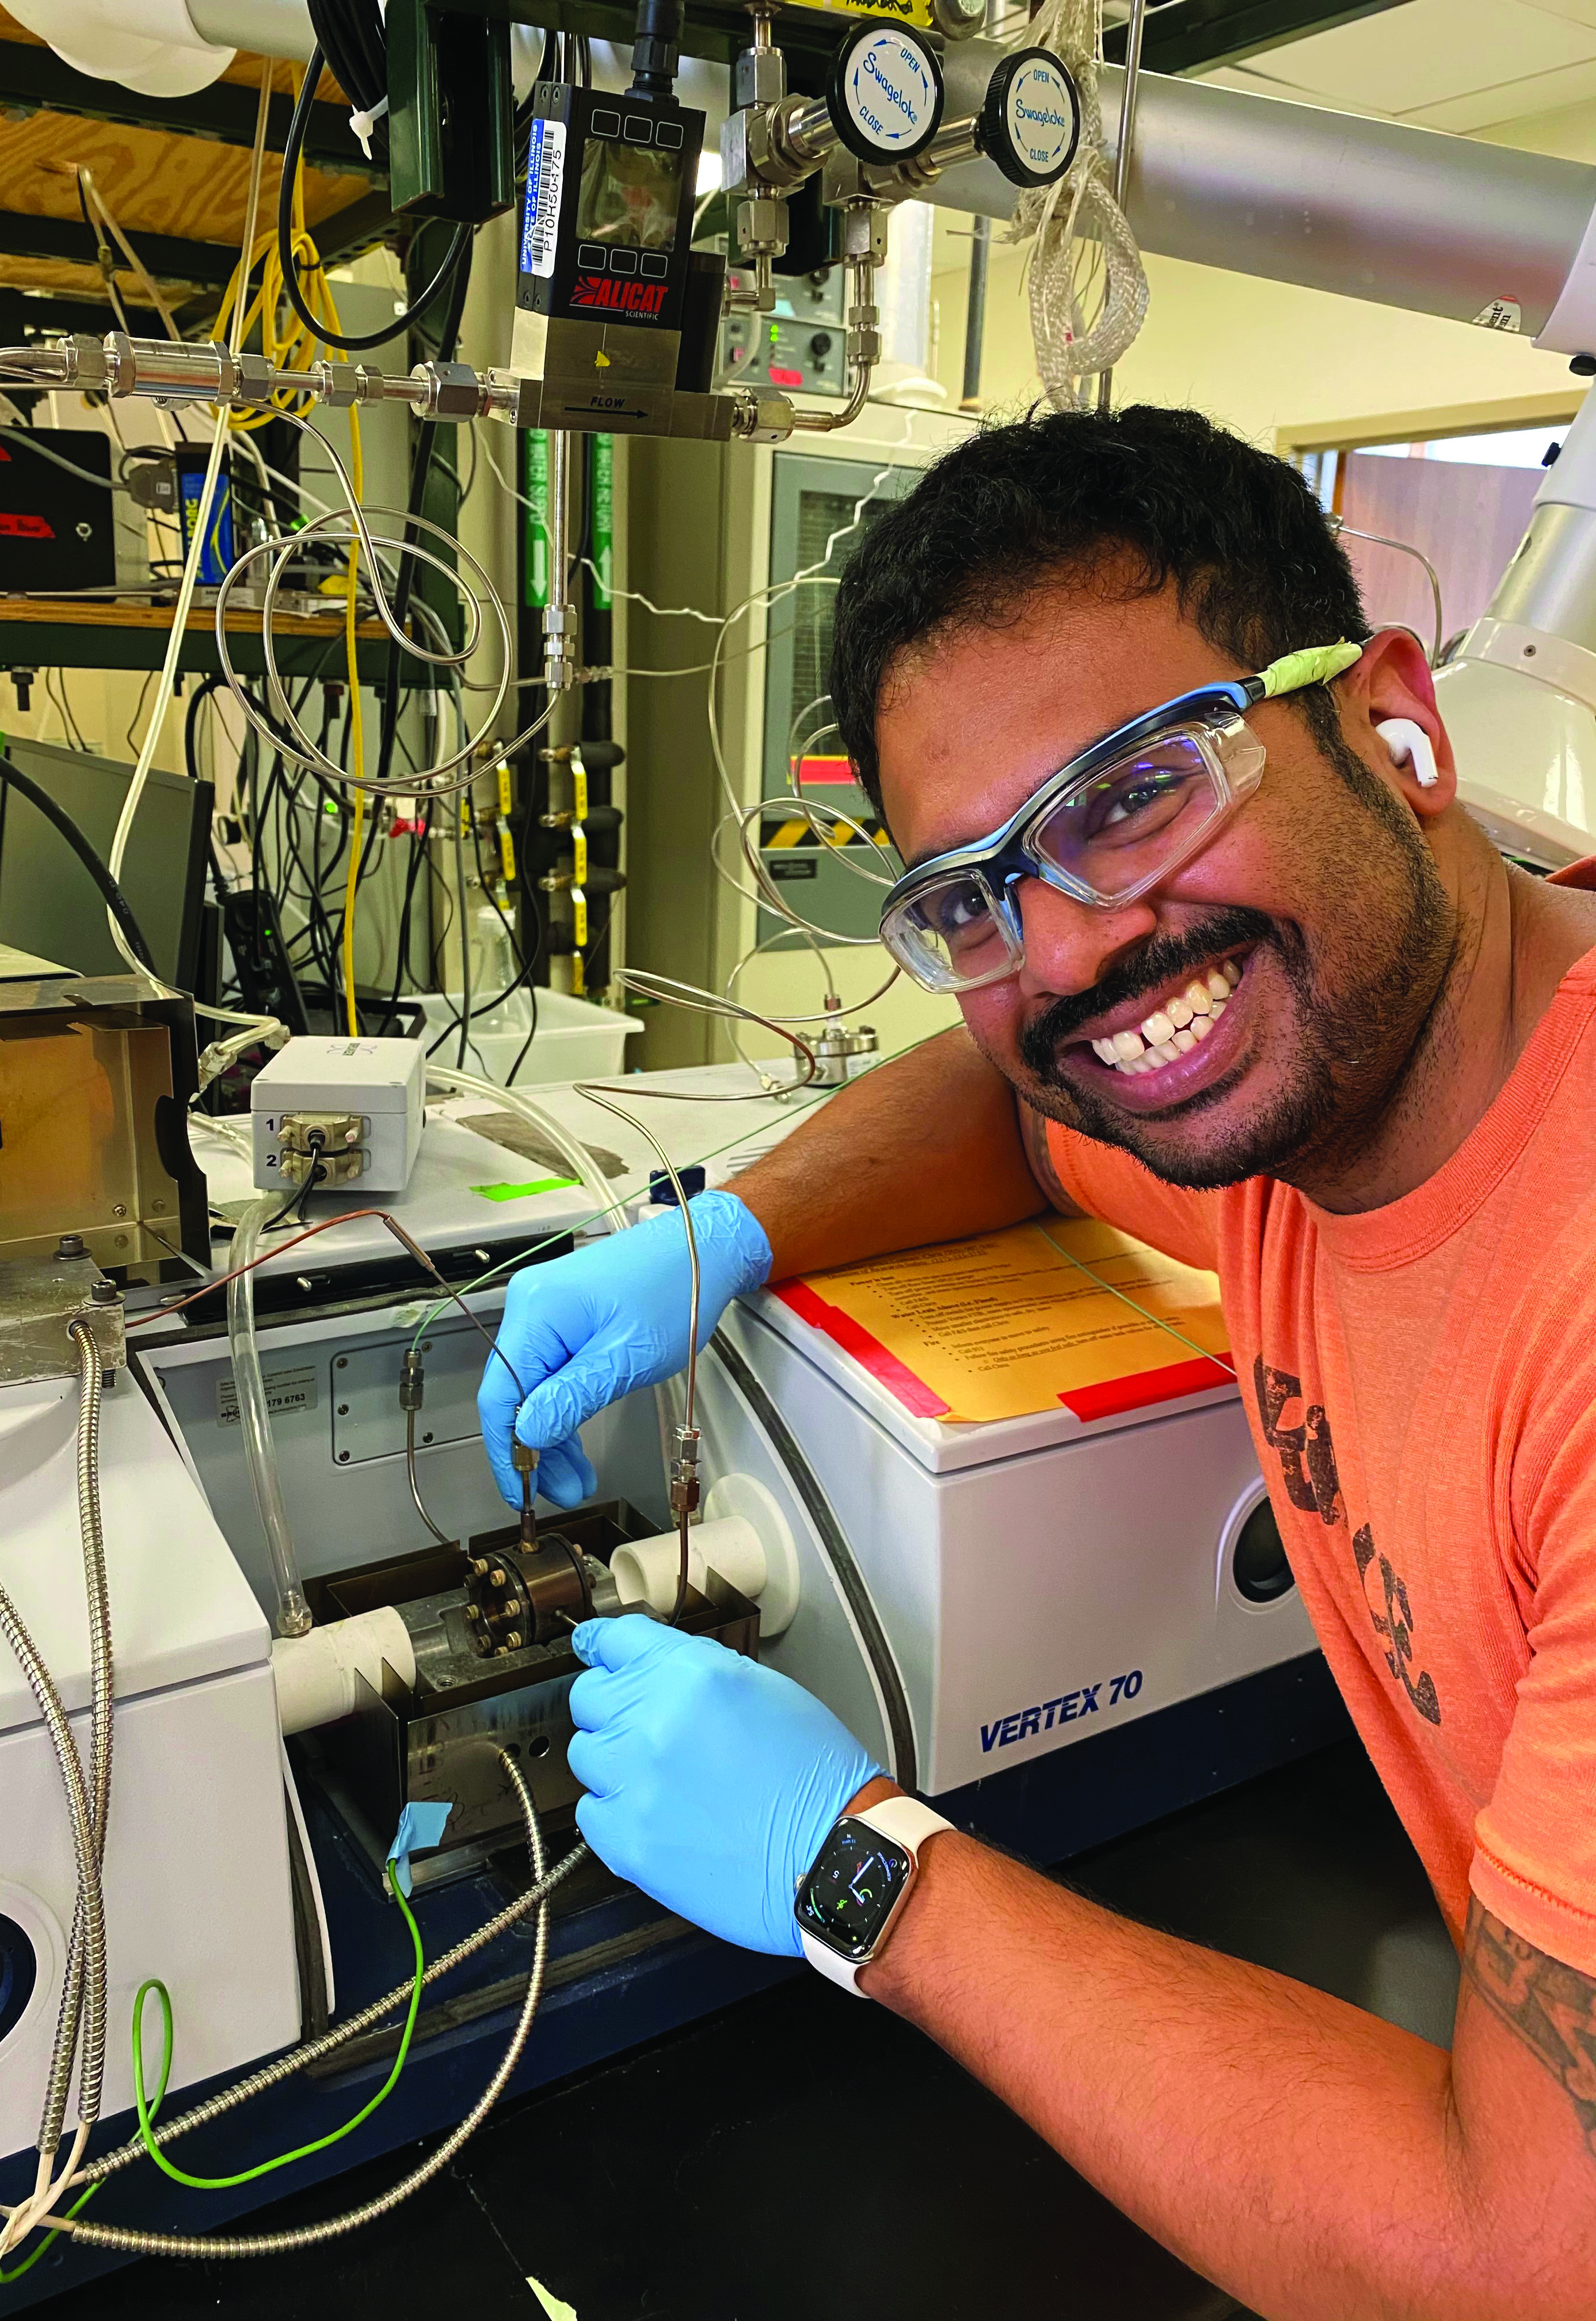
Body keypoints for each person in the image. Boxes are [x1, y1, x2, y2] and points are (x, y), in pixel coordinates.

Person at [475, 406, 1596, 2318]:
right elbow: (1005, 1119)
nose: (1072, 955)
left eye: (1136, 793)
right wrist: (720, 1234)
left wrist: (863, 1871)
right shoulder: (1308, 1101)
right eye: (969, 901)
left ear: (1395, 725)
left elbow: (1525, 2261)